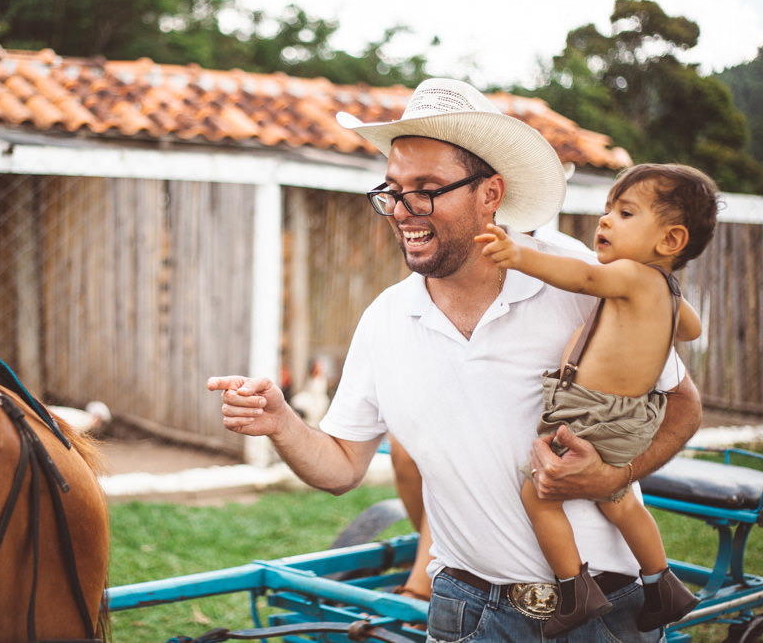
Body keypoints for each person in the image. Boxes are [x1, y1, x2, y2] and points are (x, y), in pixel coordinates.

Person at [207, 78, 703, 642]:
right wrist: (281, 423)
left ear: (490, 193)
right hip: (466, 611)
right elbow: (342, 465)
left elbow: (682, 406)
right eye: (392, 190)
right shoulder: (387, 320)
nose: (401, 211)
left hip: (608, 614)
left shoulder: (581, 281)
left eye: (426, 189)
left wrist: (615, 474)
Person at [475, 162, 718, 636]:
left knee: (539, 492)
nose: (604, 220)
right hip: (630, 417)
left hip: (594, 414)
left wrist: (518, 255)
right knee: (620, 502)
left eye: (624, 213)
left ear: (669, 241)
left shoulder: (631, 276)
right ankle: (663, 582)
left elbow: (584, 279)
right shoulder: (667, 292)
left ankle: (574, 589)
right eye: (608, 210)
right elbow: (693, 328)